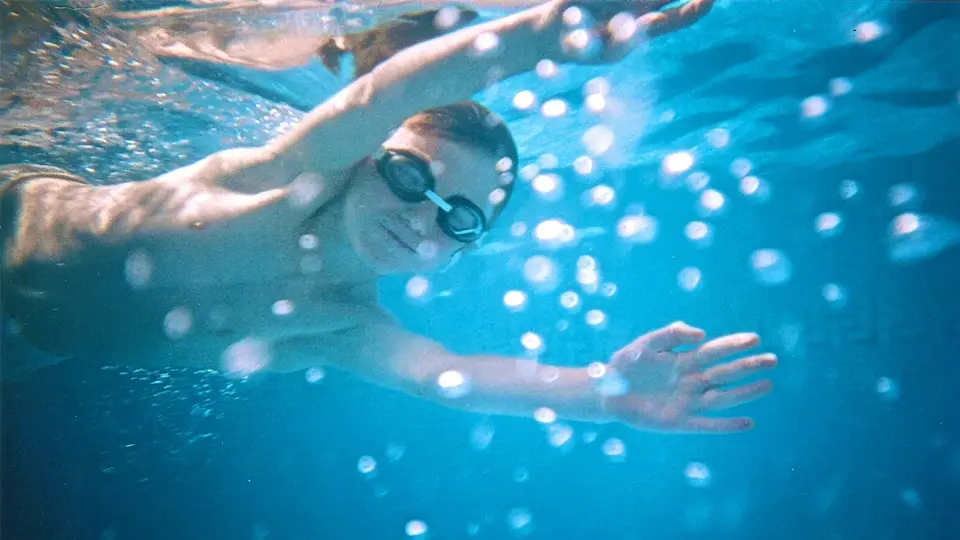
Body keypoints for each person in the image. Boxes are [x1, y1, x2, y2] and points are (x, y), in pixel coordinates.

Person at [0, 0, 777, 434]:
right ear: (369, 155)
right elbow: (387, 92)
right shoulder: (278, 182)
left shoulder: (341, 324)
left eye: (459, 220)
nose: (421, 219)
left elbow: (454, 379)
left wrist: (604, 389)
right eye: (410, 176)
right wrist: (549, 29)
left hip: (25, 346)